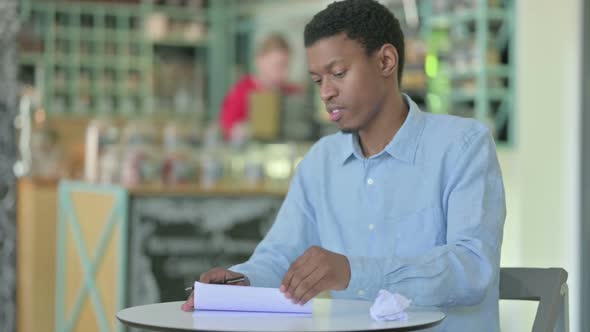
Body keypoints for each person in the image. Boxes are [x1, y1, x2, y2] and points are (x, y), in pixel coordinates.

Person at [184, 1, 506, 330]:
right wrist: (244, 281)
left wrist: (353, 271)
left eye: (338, 73)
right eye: (317, 80)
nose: (326, 92)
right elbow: (281, 257)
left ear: (385, 61)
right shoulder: (320, 162)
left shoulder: (463, 146)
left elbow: (473, 268)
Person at [218, 33, 300, 141]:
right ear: (260, 61)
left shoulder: (292, 92)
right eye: (279, 66)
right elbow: (226, 129)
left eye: (287, 66)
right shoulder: (241, 92)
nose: (285, 74)